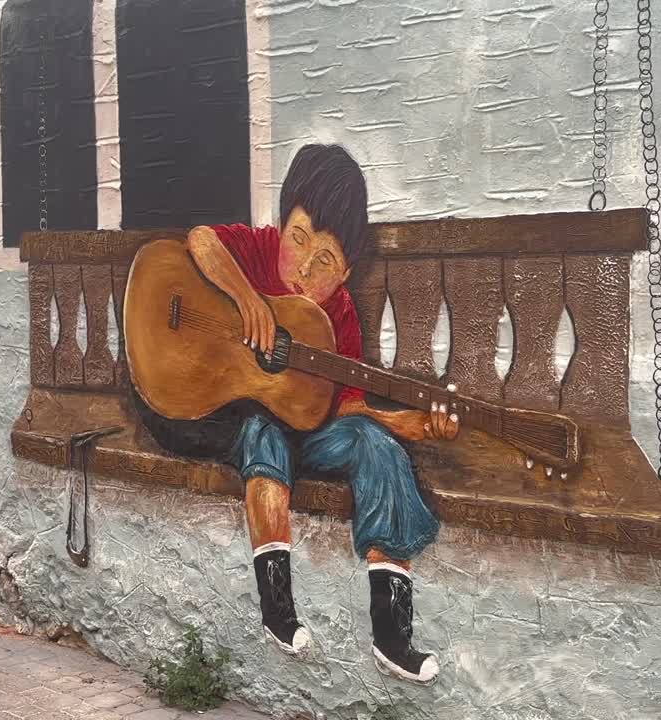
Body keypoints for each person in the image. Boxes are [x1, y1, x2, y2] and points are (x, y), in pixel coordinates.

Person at [131, 144, 458, 685]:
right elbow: (201, 242)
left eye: (325, 260)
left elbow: (351, 407)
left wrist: (417, 425)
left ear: (346, 270)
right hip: (236, 419)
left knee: (377, 447)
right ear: (282, 226)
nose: (305, 268)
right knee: (264, 429)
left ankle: (392, 632)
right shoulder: (258, 253)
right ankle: (276, 603)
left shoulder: (341, 316)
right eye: (298, 239)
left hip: (314, 430)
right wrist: (247, 299)